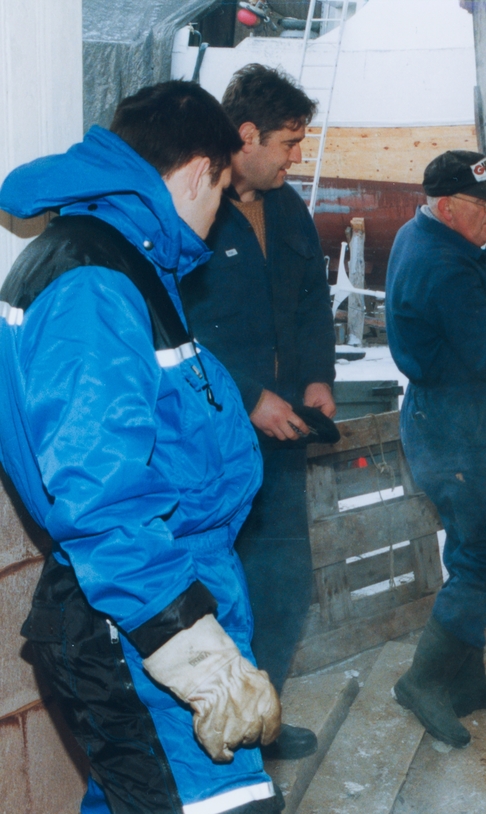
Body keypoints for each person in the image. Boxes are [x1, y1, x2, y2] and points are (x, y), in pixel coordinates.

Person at [0, 82, 282, 814]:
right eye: (221, 188)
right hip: (134, 618)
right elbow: (100, 491)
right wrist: (192, 651)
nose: (219, 211)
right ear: (197, 171)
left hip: (160, 590)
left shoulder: (123, 261)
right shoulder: (94, 282)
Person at [181, 64, 336, 760]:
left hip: (283, 439)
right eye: (291, 142)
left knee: (286, 581)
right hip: (212, 444)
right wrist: (248, 397)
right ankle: (217, 731)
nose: (296, 157)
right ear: (247, 135)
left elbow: (311, 300)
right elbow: (176, 329)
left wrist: (316, 380)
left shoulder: (288, 207)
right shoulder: (192, 209)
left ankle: (262, 716)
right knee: (221, 586)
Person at [385, 150, 486, 747]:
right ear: (448, 205)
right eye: (484, 205)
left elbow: (469, 279)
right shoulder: (442, 264)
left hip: (453, 424)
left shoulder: (422, 233)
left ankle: (466, 677)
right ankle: (424, 682)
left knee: (471, 553)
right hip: (460, 431)